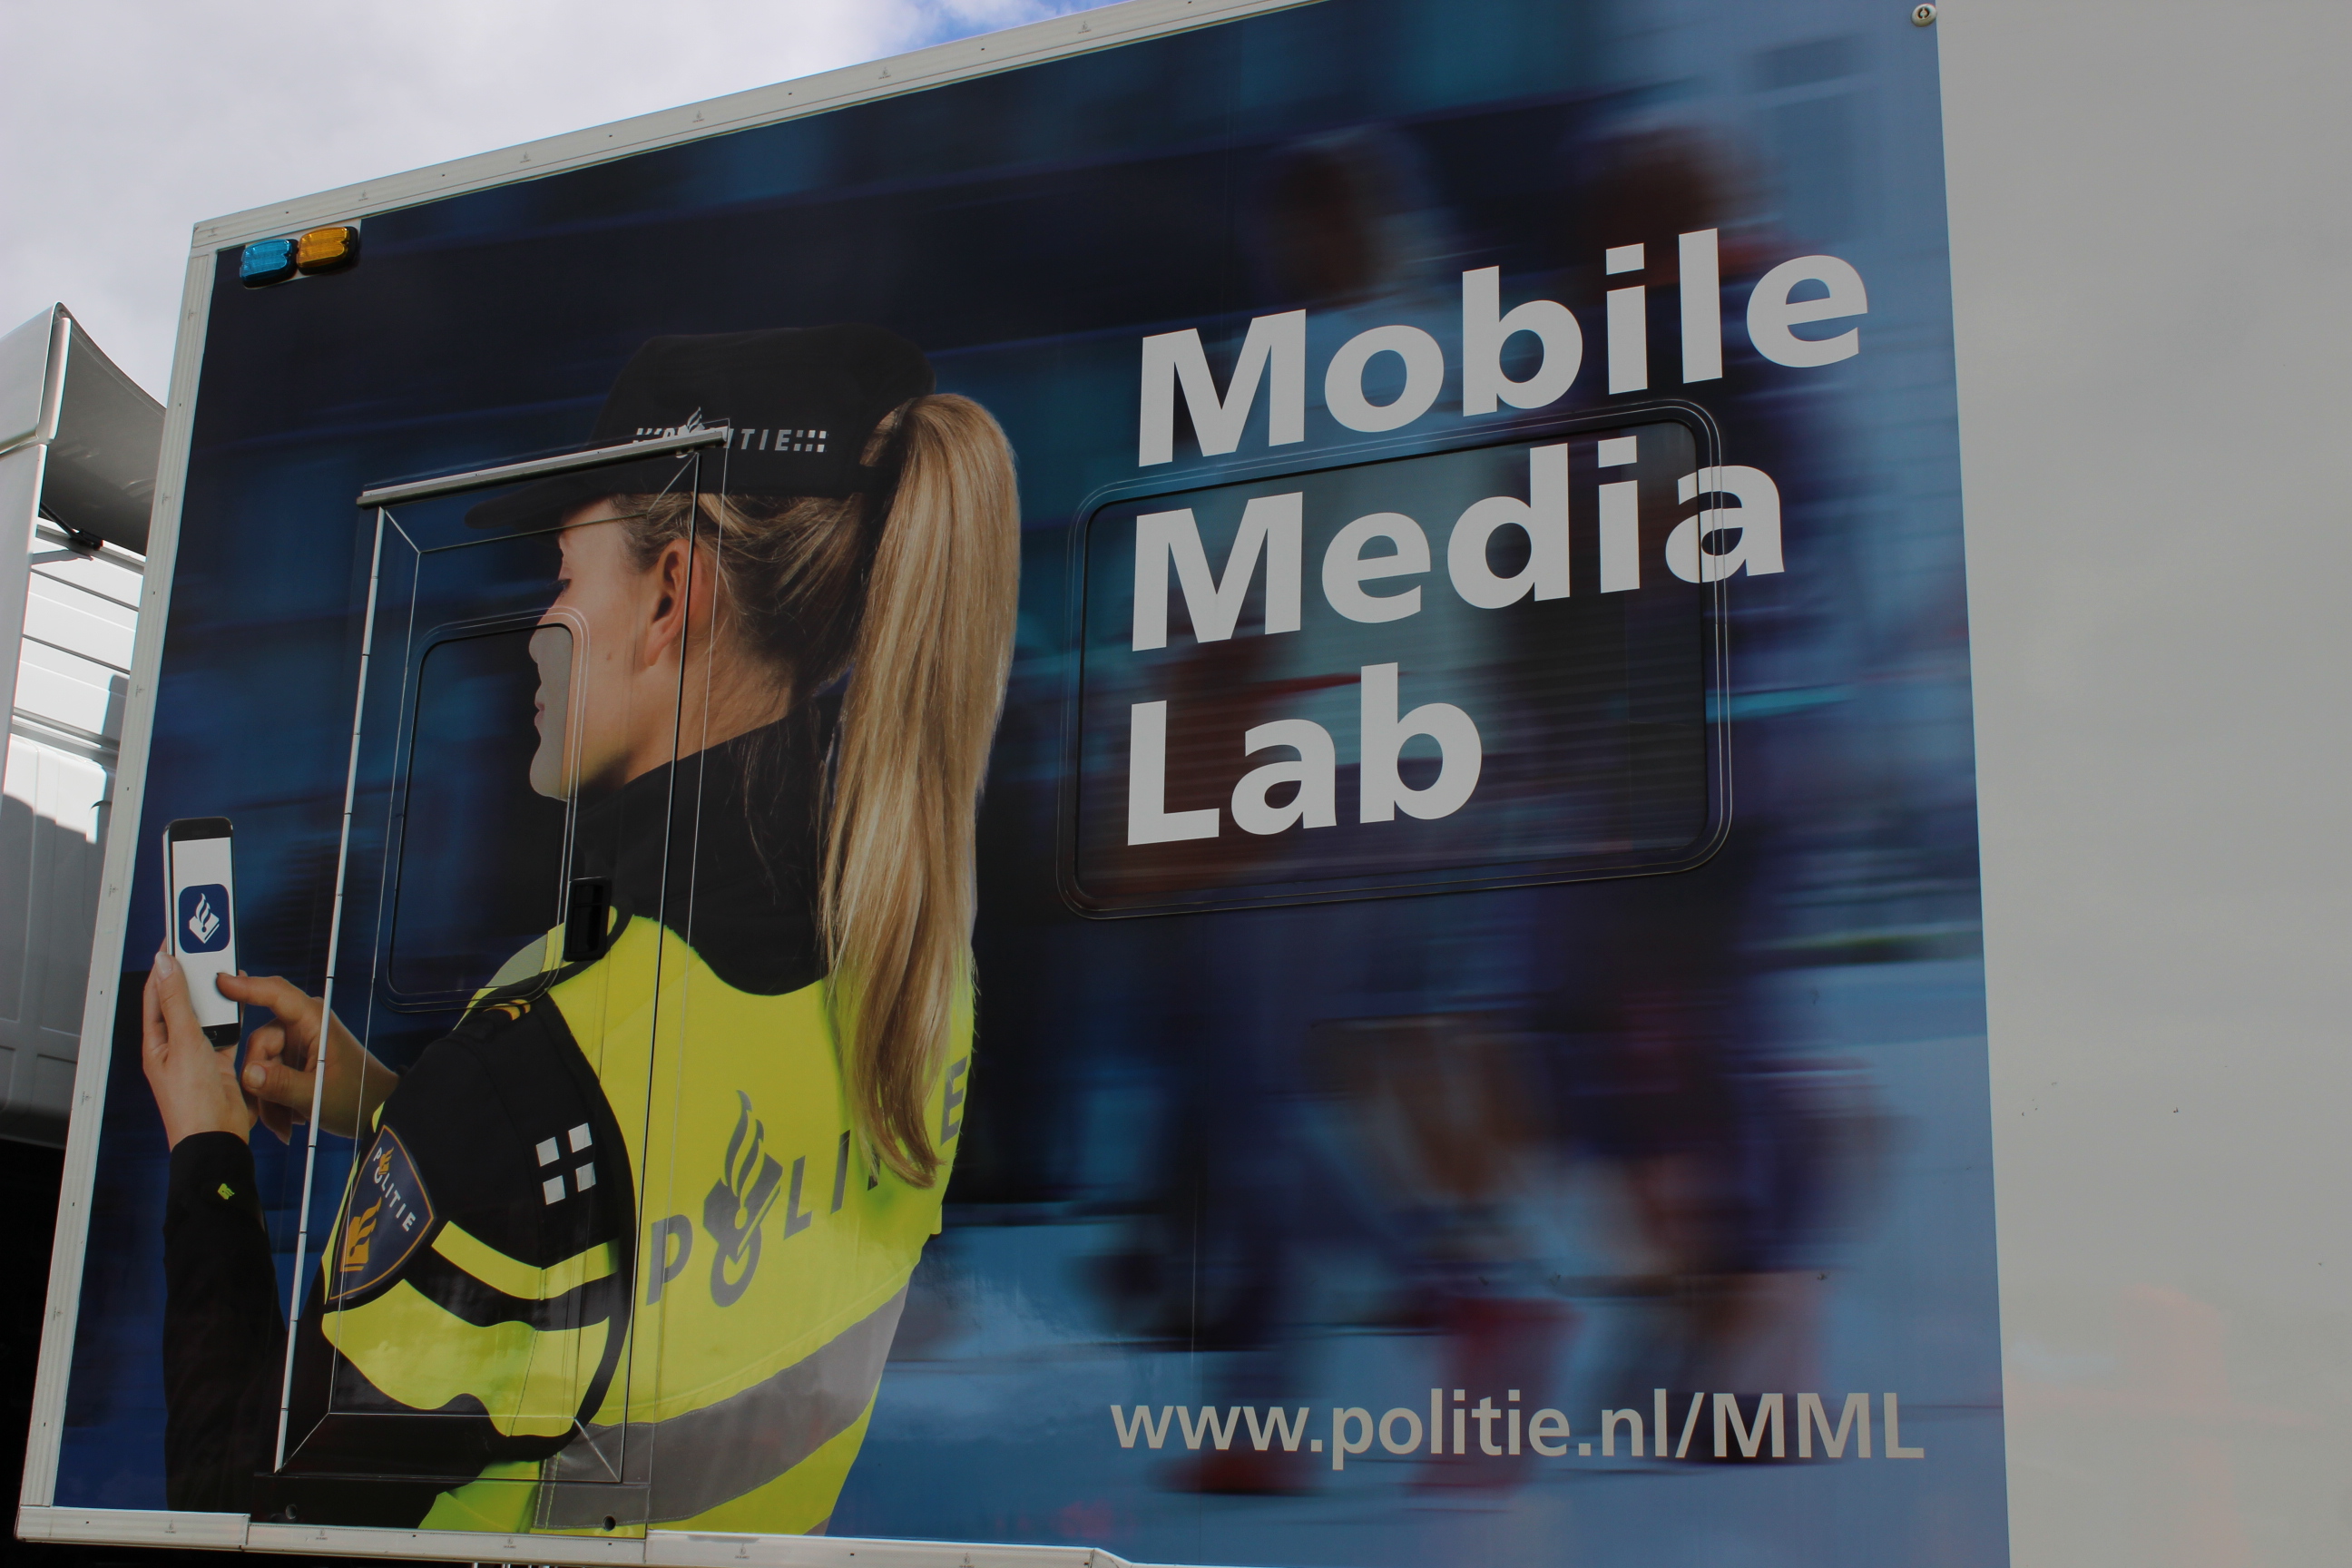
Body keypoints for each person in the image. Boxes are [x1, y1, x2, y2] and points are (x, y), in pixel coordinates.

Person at [139, 325, 1021, 1535]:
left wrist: (208, 1154)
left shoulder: (530, 1076)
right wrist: (391, 1108)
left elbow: (236, 1512)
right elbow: (635, 1205)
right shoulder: (920, 980)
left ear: (669, 597)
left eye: (562, 576)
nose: (537, 632)